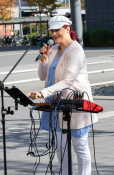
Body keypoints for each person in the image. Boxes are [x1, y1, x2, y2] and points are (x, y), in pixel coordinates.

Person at [27, 16, 98, 175]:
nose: (53, 34)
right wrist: (43, 61)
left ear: (67, 29)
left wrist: (42, 93)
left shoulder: (75, 49)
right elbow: (43, 76)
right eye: (51, 31)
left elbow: (68, 80)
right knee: (60, 146)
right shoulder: (52, 49)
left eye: (57, 30)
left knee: (79, 145)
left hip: (75, 103)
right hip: (56, 104)